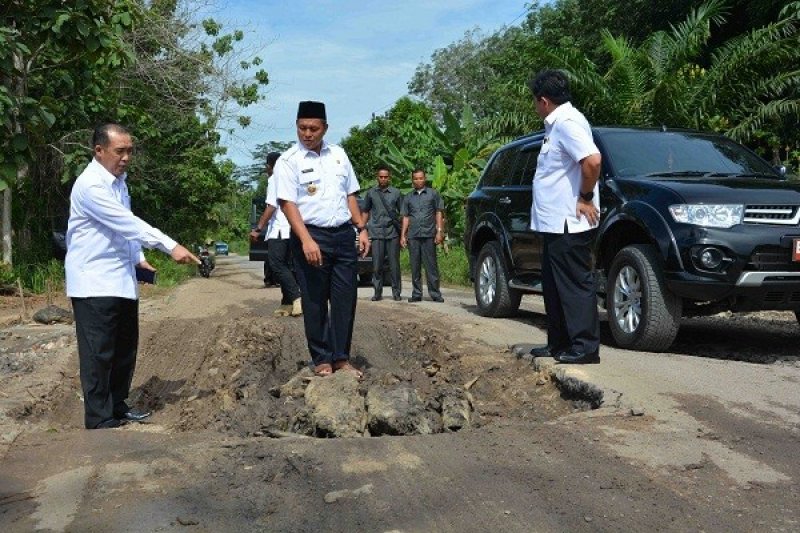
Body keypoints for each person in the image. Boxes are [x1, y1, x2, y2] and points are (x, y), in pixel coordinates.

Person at [65, 123, 200, 429]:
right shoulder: (91, 186)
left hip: (121, 278)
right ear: (99, 151)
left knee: (124, 348)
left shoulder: (119, 182)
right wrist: (170, 246)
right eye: (119, 151)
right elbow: (128, 223)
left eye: (129, 151)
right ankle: (99, 418)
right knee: (99, 352)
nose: (126, 157)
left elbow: (122, 233)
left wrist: (138, 259)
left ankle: (118, 405)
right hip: (94, 280)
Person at [275, 101, 369, 378]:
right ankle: (322, 359)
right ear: (296, 126)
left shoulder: (339, 155)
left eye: (313, 128)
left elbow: (350, 195)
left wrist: (361, 228)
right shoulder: (289, 161)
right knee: (315, 300)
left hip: (342, 235)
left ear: (325, 128)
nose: (307, 133)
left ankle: (341, 358)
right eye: (302, 127)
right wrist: (305, 240)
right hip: (311, 235)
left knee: (344, 299)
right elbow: (287, 203)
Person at [527, 69, 602, 365]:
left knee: (573, 284)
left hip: (568, 222)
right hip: (553, 223)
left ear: (543, 101)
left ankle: (584, 347)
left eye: (535, 102)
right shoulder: (555, 125)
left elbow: (592, 161)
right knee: (554, 285)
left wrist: (584, 198)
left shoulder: (568, 123)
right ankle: (559, 343)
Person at [250, 151, 302, 317]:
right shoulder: (293, 178)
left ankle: (296, 297)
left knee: (276, 265)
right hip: (293, 229)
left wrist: (258, 228)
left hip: (280, 229)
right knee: (287, 266)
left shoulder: (274, 179)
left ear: (269, 166)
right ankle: (287, 304)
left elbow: (271, 206)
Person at [400, 168, 444, 303]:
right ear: (412, 180)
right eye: (415, 178)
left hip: (429, 234)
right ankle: (416, 293)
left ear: (425, 179)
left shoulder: (433, 194)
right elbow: (406, 217)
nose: (418, 181)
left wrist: (439, 231)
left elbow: (438, 213)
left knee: (431, 266)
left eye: (421, 178)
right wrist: (403, 235)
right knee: (415, 266)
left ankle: (435, 293)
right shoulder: (408, 197)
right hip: (413, 236)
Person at [361, 166, 403, 301]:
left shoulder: (396, 193)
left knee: (394, 265)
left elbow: (402, 213)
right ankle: (377, 292)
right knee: (377, 265)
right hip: (376, 232)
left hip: (393, 233)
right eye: (381, 176)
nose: (383, 179)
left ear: (389, 178)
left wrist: (403, 232)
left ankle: (396, 293)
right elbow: (366, 211)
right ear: (377, 177)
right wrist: (362, 229)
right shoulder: (371, 193)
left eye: (386, 177)